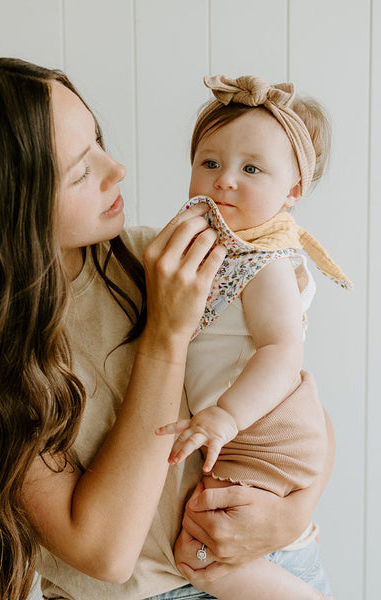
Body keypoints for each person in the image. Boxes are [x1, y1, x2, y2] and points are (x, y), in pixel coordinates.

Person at [0, 57, 334, 600]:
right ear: (7, 206)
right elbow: (105, 553)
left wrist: (291, 513)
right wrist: (165, 340)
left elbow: (294, 403)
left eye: (99, 142)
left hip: (277, 561)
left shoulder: (158, 257)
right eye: (82, 170)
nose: (117, 170)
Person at [156, 75, 351, 599]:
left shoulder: (265, 260)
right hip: (250, 426)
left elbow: (282, 349)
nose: (224, 182)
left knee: (202, 543)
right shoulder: (220, 246)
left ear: (292, 191)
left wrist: (225, 416)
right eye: (210, 163)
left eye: (251, 169)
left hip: (264, 432)